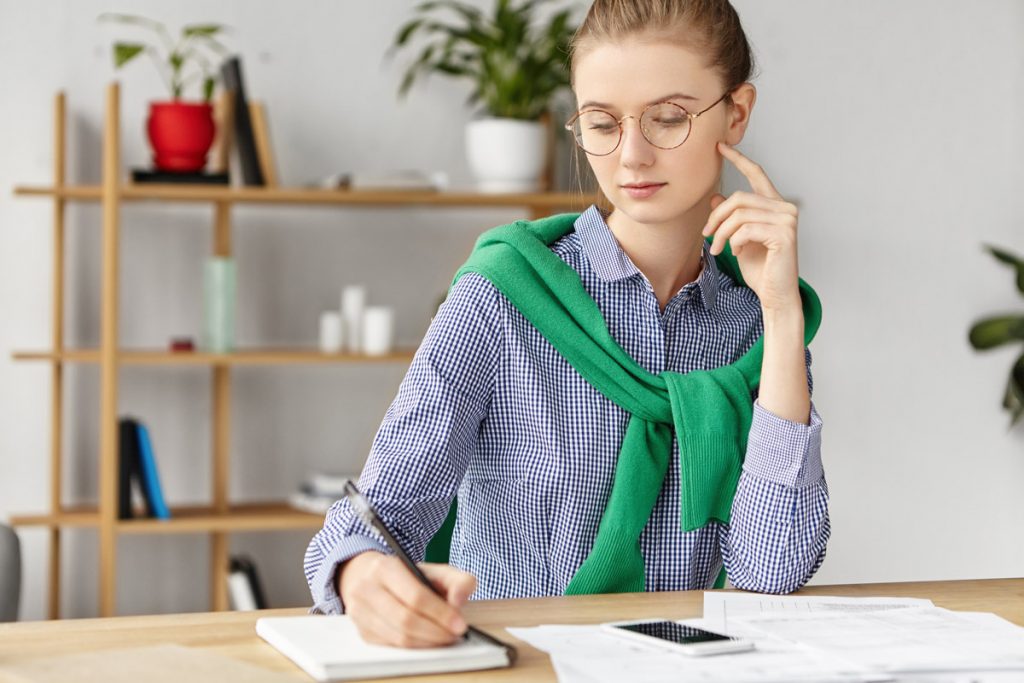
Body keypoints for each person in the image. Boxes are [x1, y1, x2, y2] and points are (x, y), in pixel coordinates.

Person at [304, 0, 829, 649]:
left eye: (668, 118)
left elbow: (770, 571)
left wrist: (781, 315)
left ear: (737, 113)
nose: (632, 156)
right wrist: (361, 575)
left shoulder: (756, 327)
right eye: (602, 123)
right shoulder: (504, 296)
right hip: (524, 666)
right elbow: (376, 519)